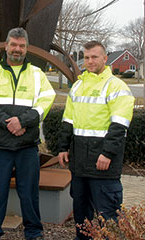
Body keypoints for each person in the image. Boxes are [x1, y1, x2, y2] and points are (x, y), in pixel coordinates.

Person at [0, 27, 56, 240]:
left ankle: (34, 233)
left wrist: (23, 121)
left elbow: (46, 100)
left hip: (27, 146)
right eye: (13, 45)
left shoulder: (37, 74)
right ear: (6, 46)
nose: (17, 49)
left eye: (21, 46)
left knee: (29, 195)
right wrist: (7, 123)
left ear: (27, 48)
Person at [58, 41, 135, 240]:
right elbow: (68, 119)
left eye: (94, 57)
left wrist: (107, 153)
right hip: (80, 164)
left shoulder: (117, 87)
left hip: (103, 165)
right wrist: (63, 147)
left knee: (107, 217)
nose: (90, 61)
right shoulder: (77, 86)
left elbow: (119, 125)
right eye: (86, 57)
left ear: (105, 58)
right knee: (82, 217)